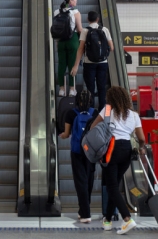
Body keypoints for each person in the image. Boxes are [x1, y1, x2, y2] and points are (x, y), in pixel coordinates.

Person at [89, 86, 145, 234]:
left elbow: (93, 128)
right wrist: (142, 147)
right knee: (113, 185)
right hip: (126, 150)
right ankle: (107, 220)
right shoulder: (134, 115)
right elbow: (142, 138)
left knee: (112, 187)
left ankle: (127, 219)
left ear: (110, 99)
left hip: (111, 149)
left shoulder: (108, 111)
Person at [59, 90, 96, 223]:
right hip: (91, 152)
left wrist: (61, 135)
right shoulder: (95, 113)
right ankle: (83, 210)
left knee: (80, 181)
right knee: (89, 180)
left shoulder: (71, 113)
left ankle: (85, 214)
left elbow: (66, 134)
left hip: (77, 151)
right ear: (90, 100)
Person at [70, 11, 114, 109]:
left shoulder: (85, 31)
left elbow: (81, 49)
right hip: (103, 63)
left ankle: (91, 111)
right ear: (98, 19)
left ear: (87, 19)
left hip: (89, 63)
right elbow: (111, 47)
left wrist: (76, 65)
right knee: (102, 88)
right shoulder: (105, 29)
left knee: (90, 88)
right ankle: (102, 111)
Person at [54, 0, 83, 97]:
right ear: (70, 0)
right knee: (72, 65)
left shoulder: (57, 11)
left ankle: (61, 89)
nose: (76, 1)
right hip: (72, 40)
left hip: (61, 41)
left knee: (61, 65)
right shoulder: (76, 12)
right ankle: (71, 89)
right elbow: (79, 29)